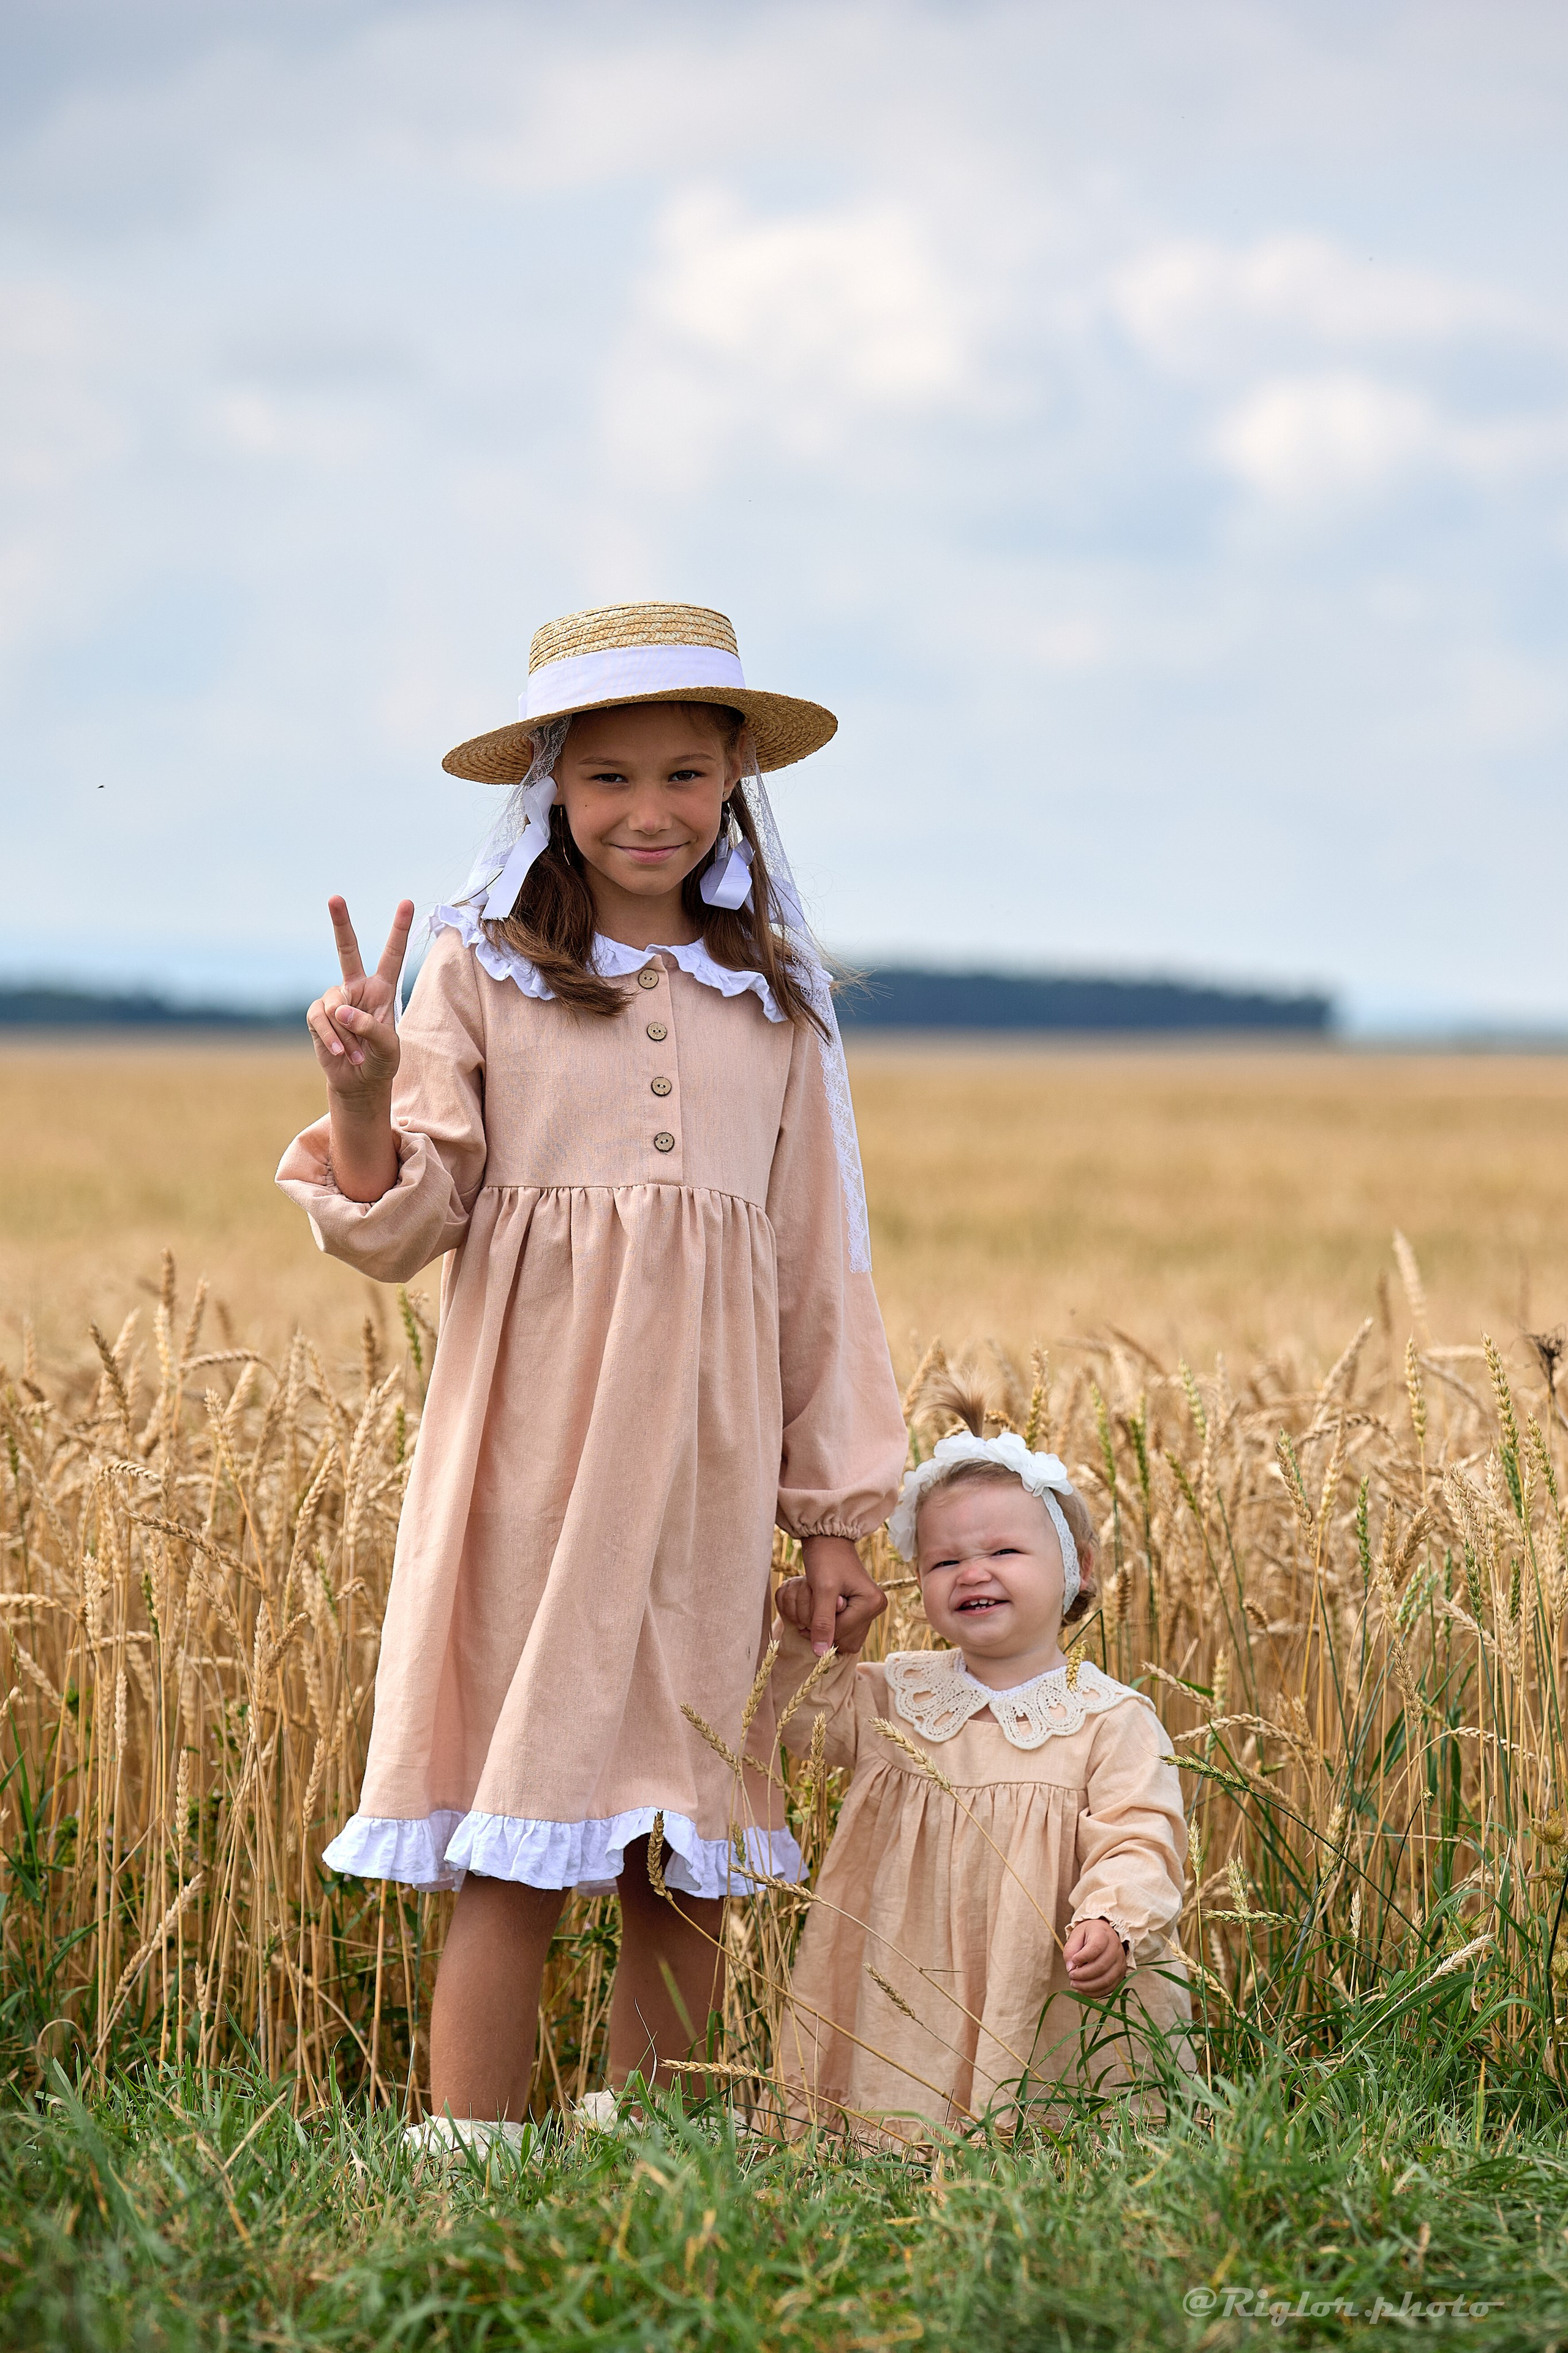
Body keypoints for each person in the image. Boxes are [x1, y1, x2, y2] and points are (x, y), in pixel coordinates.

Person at [277, 601, 908, 2139]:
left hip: (703, 1464)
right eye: (609, 774)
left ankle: (658, 2147)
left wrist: (829, 1515)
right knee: (521, 1795)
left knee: (686, 1817)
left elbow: (817, 1265)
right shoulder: (480, 970)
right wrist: (360, 1096)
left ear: (736, 777)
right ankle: (471, 2156)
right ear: (552, 783)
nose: (648, 810)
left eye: (685, 774)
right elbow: (400, 1218)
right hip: (531, 1454)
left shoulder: (777, 999)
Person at [768, 1386, 1192, 2146]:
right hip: (911, 1970)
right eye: (943, 1560)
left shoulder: (1106, 1716)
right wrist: (819, 1637)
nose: (971, 1572)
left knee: (1057, 2113)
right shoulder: (900, 1693)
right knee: (901, 2117)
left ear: (1077, 1568)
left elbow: (1141, 1835)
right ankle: (896, 2154)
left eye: (1002, 1551)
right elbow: (808, 1723)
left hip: (1050, 1975)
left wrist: (1111, 1918)